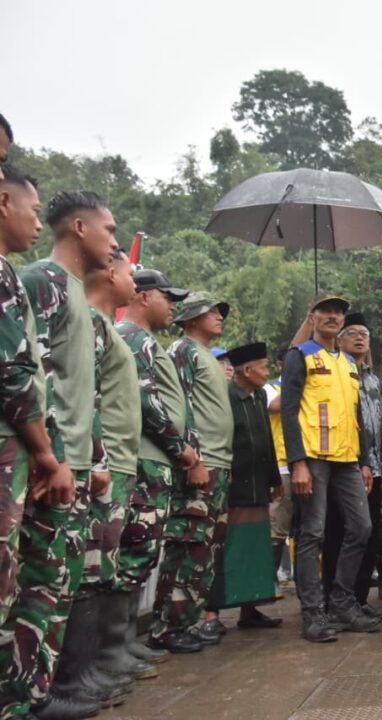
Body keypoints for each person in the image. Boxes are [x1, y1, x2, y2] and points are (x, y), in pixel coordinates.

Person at [0, 190, 117, 720]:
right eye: (108, 230)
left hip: (68, 459)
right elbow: (30, 372)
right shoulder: (42, 280)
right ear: (77, 227)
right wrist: (49, 454)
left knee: (60, 578)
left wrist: (91, 459)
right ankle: (25, 697)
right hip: (46, 460)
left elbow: (80, 393)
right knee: (39, 581)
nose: (113, 242)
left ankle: (43, 690)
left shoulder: (70, 293)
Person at [82, 252, 160, 695]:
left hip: (118, 462)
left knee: (110, 560)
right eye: (131, 272)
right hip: (102, 462)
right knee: (94, 565)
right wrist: (96, 459)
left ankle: (114, 649)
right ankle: (93, 662)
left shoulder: (110, 329)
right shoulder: (99, 325)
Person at [280, 294, 379, 643]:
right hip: (314, 459)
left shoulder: (349, 363)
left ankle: (341, 600)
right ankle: (312, 612)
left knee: (362, 528)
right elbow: (289, 410)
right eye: (326, 311)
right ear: (312, 316)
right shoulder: (300, 356)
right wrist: (298, 463)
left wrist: (366, 461)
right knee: (312, 533)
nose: (333, 317)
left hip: (348, 460)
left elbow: (356, 417)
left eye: (339, 312)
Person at [118, 270, 201, 656]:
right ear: (144, 297)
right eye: (168, 297)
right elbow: (147, 403)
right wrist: (180, 447)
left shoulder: (148, 340)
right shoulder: (133, 339)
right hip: (148, 459)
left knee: (144, 553)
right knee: (134, 555)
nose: (173, 306)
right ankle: (115, 647)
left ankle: (120, 645)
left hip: (159, 462)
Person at [152, 292, 234, 649]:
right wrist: (193, 458)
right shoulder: (183, 351)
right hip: (201, 464)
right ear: (188, 319)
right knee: (188, 546)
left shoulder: (207, 357)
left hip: (219, 464)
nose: (218, 316)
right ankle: (168, 628)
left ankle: (188, 621)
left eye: (220, 311)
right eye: (210, 311)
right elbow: (178, 406)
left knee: (206, 549)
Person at [0, 166, 60, 633]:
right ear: (4, 203)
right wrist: (43, 451)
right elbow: (15, 371)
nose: (38, 224)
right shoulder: (6, 273)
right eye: (34, 211)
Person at [206, 342, 282, 629]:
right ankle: (211, 613)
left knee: (255, 549)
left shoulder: (260, 395)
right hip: (233, 483)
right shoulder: (225, 396)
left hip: (258, 482)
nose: (267, 372)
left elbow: (266, 440)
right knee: (227, 547)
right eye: (263, 367)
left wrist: (274, 479)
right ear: (246, 370)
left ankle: (249, 610)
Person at [324, 312, 382, 619]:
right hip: (345, 465)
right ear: (339, 339)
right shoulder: (335, 374)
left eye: (365, 333)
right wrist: (363, 461)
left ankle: (360, 599)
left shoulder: (373, 379)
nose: (361, 337)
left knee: (370, 536)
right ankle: (333, 599)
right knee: (340, 533)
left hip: (375, 468)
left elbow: (379, 424)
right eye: (353, 333)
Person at [265, 347, 293, 589]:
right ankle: (269, 579)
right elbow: (274, 407)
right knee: (278, 524)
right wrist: (295, 382)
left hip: (308, 463)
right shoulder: (269, 387)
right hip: (281, 465)